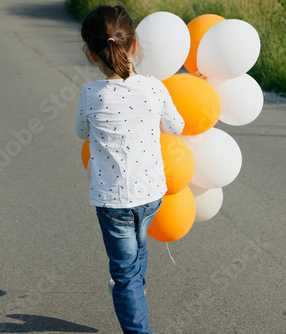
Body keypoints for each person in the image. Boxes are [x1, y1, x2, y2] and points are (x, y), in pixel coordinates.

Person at [75, 5, 184, 334]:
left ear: (92, 55)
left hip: (112, 202)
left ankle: (136, 314)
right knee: (140, 247)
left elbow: (82, 131)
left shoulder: (91, 94)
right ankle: (136, 287)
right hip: (151, 195)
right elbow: (176, 126)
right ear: (135, 46)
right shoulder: (154, 88)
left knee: (123, 275)